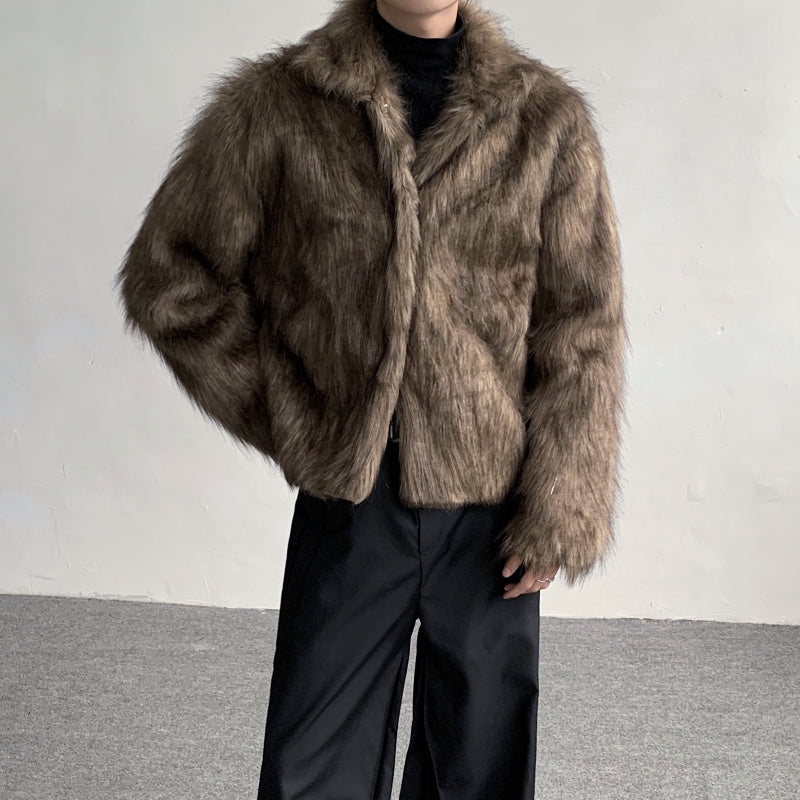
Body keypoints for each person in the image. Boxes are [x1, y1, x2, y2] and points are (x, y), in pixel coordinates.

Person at [115, 0, 627, 797]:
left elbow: (583, 327)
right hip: (352, 508)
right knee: (314, 767)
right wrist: (294, 413)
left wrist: (562, 505)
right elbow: (170, 280)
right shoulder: (277, 105)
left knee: (480, 767)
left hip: (491, 515)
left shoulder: (545, 120)